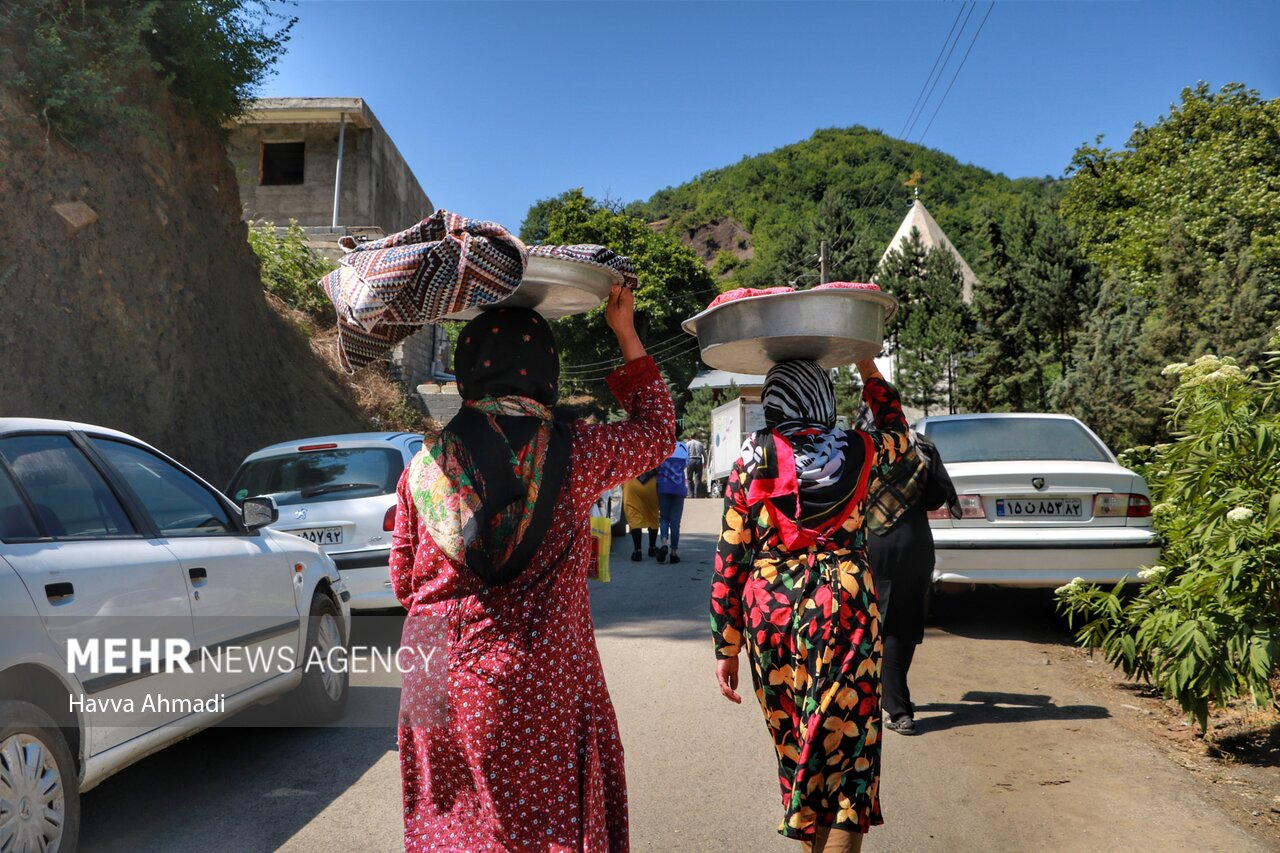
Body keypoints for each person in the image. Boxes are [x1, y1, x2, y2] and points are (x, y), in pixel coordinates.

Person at [391, 286, 674, 852]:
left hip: (427, 665)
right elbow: (658, 430)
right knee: (532, 834)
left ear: (468, 370)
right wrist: (624, 331)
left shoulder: (422, 465)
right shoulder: (575, 452)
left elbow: (403, 581)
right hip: (522, 674)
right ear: (545, 369)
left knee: (443, 827)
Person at [711, 358, 907, 853]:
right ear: (824, 397)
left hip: (771, 613)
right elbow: (897, 431)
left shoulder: (750, 459)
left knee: (798, 748)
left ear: (774, 401)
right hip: (846, 607)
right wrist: (869, 370)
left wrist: (725, 646)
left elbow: (730, 557)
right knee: (848, 756)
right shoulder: (861, 449)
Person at [862, 415, 959, 736]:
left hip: (870, 544)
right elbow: (936, 496)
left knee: (878, 624)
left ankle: (895, 706)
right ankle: (896, 703)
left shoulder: (857, 447)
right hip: (915, 544)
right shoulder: (922, 445)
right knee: (904, 623)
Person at [655, 435, 688, 563]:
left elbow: (656, 465)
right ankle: (674, 552)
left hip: (663, 486)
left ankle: (664, 543)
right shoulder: (683, 447)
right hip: (678, 487)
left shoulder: (661, 445)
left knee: (664, 518)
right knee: (675, 522)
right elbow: (686, 465)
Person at [622, 470, 660, 561]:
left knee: (634, 515)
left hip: (631, 482)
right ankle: (652, 548)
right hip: (651, 483)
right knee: (652, 515)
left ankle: (637, 551)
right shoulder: (653, 455)